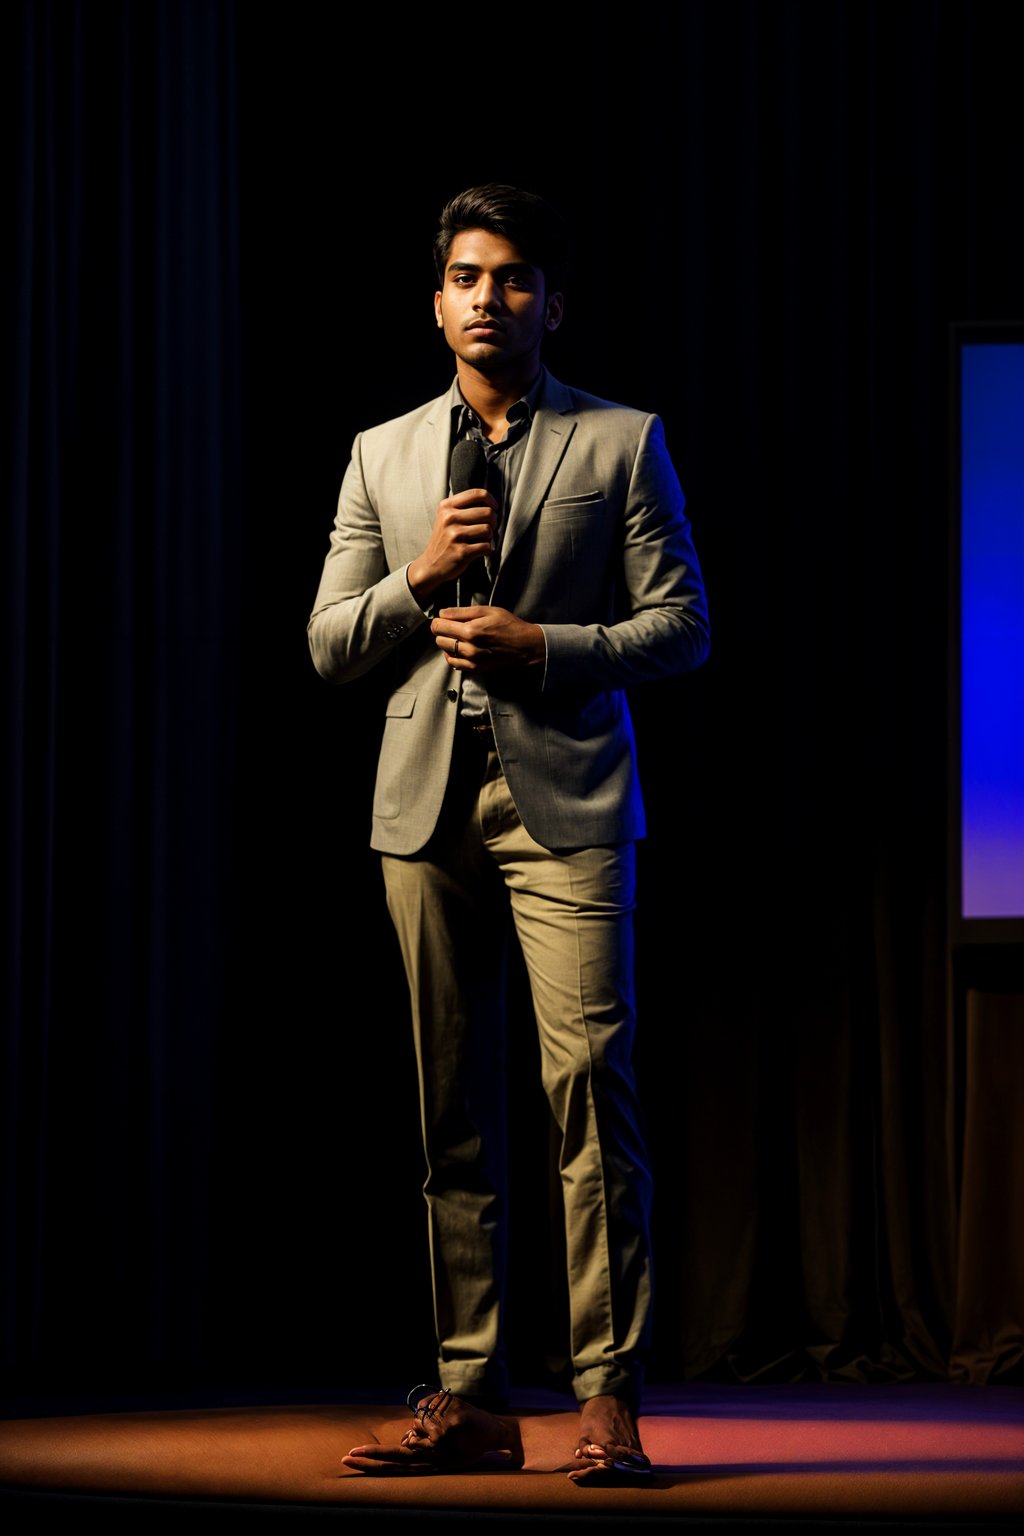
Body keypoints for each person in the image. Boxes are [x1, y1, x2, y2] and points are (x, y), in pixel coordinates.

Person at [307, 184, 709, 1482]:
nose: (492, 296)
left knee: (592, 1091)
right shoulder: (381, 454)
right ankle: (472, 1393)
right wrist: (414, 581)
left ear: (553, 301)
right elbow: (325, 644)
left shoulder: (622, 443)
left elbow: (685, 625)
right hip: (422, 810)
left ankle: (607, 1399)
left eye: (518, 276)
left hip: (571, 807)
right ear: (437, 304)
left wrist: (549, 647)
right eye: (470, 277)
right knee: (450, 1109)